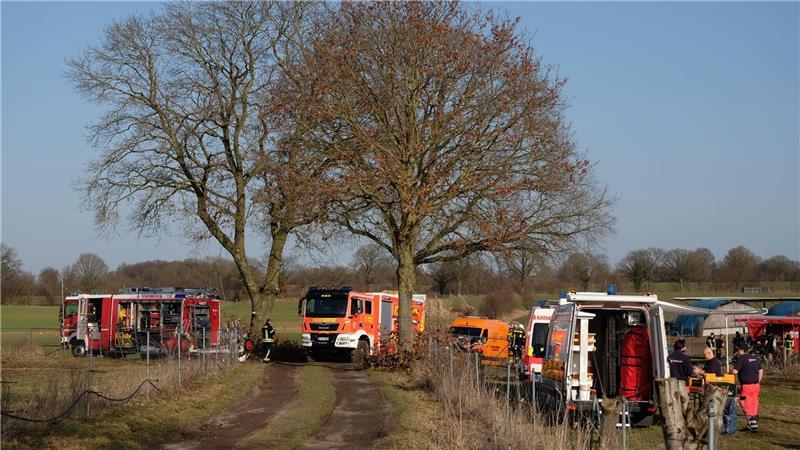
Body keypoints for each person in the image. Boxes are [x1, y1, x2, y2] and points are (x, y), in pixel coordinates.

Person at [731, 344, 763, 432]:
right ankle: (751, 423)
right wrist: (758, 381)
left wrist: (730, 371)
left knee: (744, 403)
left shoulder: (741, 358)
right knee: (753, 403)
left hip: (746, 386)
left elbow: (735, 371)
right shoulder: (754, 358)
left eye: (738, 350)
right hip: (756, 386)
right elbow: (761, 370)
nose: (737, 352)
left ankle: (753, 425)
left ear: (742, 350)